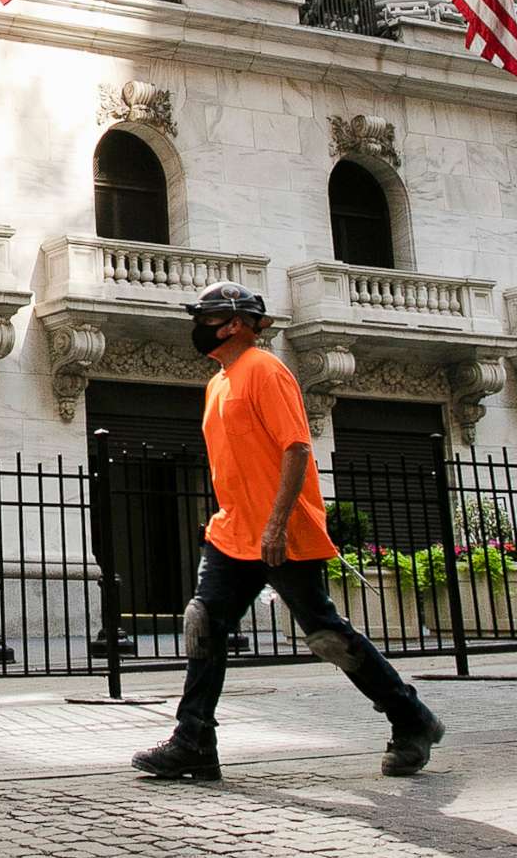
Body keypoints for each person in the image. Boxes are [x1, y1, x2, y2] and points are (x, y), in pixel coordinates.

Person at [131, 283, 444, 782]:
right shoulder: (218, 383)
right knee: (203, 624)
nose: (199, 326)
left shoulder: (266, 370)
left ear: (233, 323)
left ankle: (412, 719)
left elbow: (296, 449)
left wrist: (275, 524)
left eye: (205, 317)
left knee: (325, 635)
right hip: (232, 533)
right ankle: (193, 741)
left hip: (283, 532)